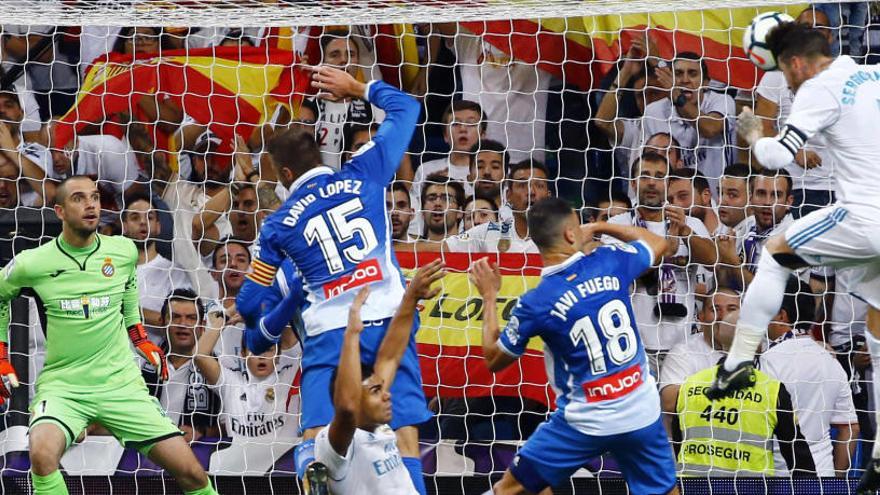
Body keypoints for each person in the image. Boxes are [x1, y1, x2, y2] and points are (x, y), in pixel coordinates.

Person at [701, 23, 880, 491]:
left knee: (773, 252)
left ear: (795, 63)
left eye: (783, 72)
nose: (787, 81)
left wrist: (756, 131)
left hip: (863, 218)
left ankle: (738, 362)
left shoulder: (819, 87)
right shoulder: (870, 77)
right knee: (879, 329)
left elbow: (779, 156)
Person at [235, 66, 430, 493]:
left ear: (284, 176)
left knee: (320, 429)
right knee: (403, 431)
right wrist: (357, 88)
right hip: (387, 313)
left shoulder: (278, 225)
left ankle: (311, 467)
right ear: (321, 159)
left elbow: (248, 305)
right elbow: (408, 107)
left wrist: (289, 297)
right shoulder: (363, 171)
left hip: (330, 330)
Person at [0, 176, 217, 495]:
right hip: (65, 387)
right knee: (42, 454)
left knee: (193, 475)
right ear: (59, 211)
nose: (90, 204)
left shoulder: (123, 251)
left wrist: (140, 336)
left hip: (121, 386)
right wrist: (2, 357)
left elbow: (128, 289)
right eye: (78, 198)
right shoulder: (33, 262)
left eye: (95, 197)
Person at [469, 197, 678, 495]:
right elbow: (659, 242)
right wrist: (602, 226)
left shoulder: (536, 302)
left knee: (510, 489)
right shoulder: (609, 261)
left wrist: (489, 297)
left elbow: (492, 359)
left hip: (584, 422)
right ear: (571, 234)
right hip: (639, 411)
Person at [313, 261, 444, 494]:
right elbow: (346, 409)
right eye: (375, 391)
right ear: (354, 398)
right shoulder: (336, 447)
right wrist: (352, 333)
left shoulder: (379, 426)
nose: (386, 395)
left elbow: (390, 356)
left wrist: (411, 297)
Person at [605, 152, 716, 375]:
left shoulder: (690, 223)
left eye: (659, 176)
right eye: (645, 176)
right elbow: (622, 272)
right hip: (633, 343)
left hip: (682, 344)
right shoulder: (618, 225)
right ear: (633, 184)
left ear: (668, 184)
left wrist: (685, 232)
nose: (652, 183)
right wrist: (669, 248)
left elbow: (712, 259)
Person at [673, 312, 816, 476]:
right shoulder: (771, 390)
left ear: (720, 341)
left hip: (694, 487)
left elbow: (679, 444)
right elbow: (800, 460)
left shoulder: (689, 385)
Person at [759, 279, 859, 477]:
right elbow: (851, 429)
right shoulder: (831, 362)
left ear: (781, 314)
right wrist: (836, 481)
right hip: (823, 476)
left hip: (780, 476)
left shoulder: (768, 362)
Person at [753, 7, 836, 219]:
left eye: (820, 27)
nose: (813, 32)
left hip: (838, 185)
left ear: (832, 36)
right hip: (791, 188)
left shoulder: (842, 76)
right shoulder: (775, 76)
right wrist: (792, 149)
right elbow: (761, 127)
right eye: (807, 27)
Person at [641, 52, 736, 191]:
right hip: (673, 198)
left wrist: (677, 97)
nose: (685, 80)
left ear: (705, 82)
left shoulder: (722, 101)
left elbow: (710, 128)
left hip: (719, 198)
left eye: (692, 73)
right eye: (678, 74)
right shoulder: (653, 112)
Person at [142, 289, 220, 443]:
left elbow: (231, 426)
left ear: (202, 325)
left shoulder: (216, 369)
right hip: (143, 452)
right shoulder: (140, 363)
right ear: (162, 322)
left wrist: (202, 433)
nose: (183, 324)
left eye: (191, 318)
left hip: (196, 455)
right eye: (176, 317)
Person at [444, 160, 551, 254]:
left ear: (548, 196)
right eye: (522, 185)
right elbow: (441, 248)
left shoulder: (563, 237)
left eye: (539, 185)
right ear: (509, 195)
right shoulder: (486, 231)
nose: (531, 192)